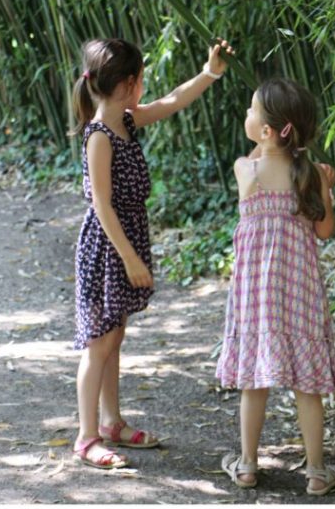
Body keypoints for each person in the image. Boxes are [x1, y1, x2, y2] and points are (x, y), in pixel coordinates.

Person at [71, 37, 234, 468]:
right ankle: (86, 438)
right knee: (98, 343)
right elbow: (101, 206)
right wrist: (129, 257)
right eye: (142, 78)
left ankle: (111, 422)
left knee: (115, 336)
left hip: (124, 243)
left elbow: (173, 101)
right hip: (108, 248)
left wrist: (210, 72)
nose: (146, 86)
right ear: (128, 83)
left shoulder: (127, 118)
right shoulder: (100, 137)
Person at [216, 77, 335, 495]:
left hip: (256, 295)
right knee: (308, 386)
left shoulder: (245, 169)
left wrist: (281, 148)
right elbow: (325, 230)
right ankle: (317, 473)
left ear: (269, 130)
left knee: (255, 381)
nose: (246, 116)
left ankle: (248, 465)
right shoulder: (307, 175)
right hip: (300, 290)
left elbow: (259, 156)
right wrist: (325, 185)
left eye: (253, 111)